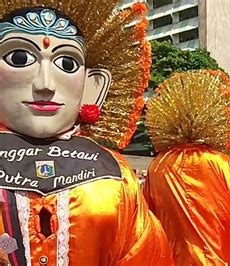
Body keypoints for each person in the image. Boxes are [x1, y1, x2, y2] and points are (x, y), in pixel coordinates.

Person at [0, 2, 173, 265]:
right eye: (19, 58)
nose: (45, 84)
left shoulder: (114, 173)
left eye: (67, 63)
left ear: (93, 85)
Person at [143, 70, 230, 265]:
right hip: (215, 253)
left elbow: (149, 212)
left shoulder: (158, 165)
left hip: (173, 254)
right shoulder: (219, 161)